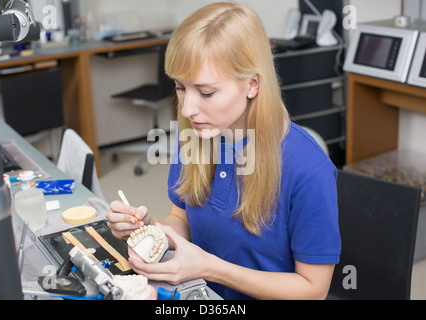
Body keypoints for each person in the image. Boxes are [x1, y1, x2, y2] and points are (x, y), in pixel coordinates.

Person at [106, 2, 340, 300]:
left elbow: (313, 291)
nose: (188, 109)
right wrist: (149, 229)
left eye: (206, 92)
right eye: (180, 87)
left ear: (252, 84)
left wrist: (211, 268)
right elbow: (184, 220)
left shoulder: (307, 169)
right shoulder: (198, 134)